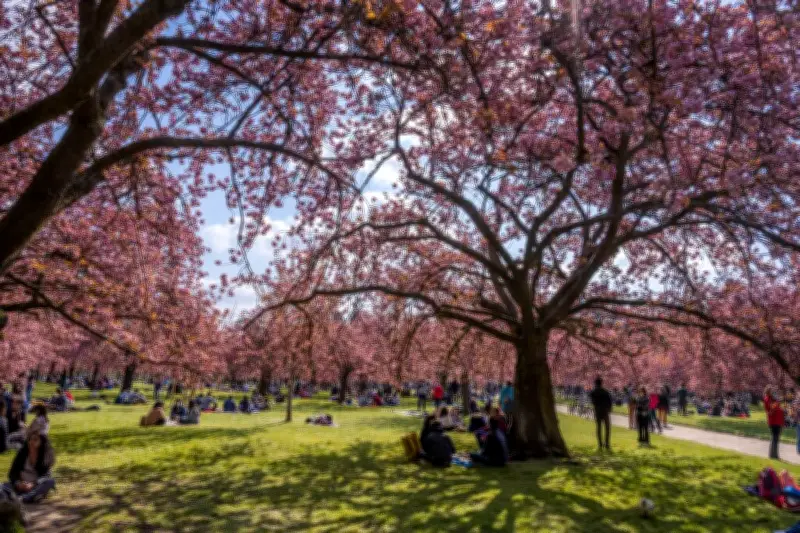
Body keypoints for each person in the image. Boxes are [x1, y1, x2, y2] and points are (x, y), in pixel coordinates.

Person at [5, 432, 56, 504]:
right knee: (3, 486)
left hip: (35, 486)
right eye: (30, 439)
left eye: (35, 440)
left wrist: (33, 484)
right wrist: (18, 483)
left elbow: (45, 475)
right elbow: (12, 473)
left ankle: (23, 498)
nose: (31, 442)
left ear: (41, 442)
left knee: (50, 481)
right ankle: (28, 497)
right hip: (20, 485)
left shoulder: (45, 456)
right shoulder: (22, 453)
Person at [590, 377, 612, 451]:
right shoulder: (605, 391)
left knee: (599, 428)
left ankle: (600, 444)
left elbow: (593, 401)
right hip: (605, 411)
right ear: (601, 383)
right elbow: (609, 401)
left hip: (597, 411)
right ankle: (607, 443)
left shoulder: (593, 392)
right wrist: (609, 409)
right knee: (607, 428)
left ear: (595, 383)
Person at [764, 386, 784, 460]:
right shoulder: (767, 399)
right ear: (768, 391)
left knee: (776, 438)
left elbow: (777, 406)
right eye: (771, 391)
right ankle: (773, 455)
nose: (773, 392)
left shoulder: (773, 399)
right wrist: (777, 403)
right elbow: (771, 408)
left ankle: (775, 455)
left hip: (778, 421)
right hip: (773, 421)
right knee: (775, 438)